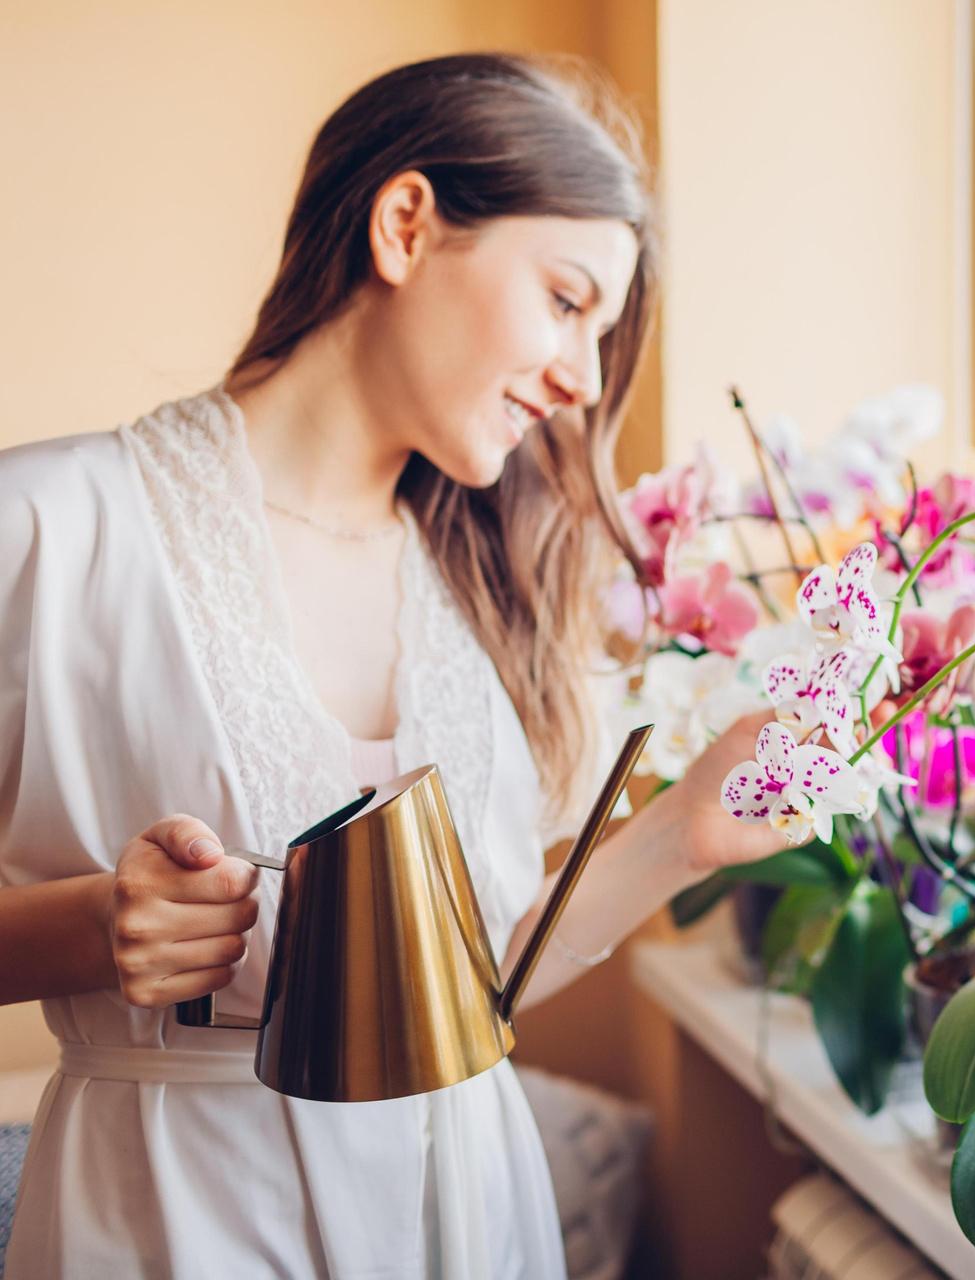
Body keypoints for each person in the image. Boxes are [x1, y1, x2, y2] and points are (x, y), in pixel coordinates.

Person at [0, 52, 788, 1279]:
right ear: (406, 223)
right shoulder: (47, 527)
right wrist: (90, 926)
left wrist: (687, 829)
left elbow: (476, 984)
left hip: (468, 1212)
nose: (585, 379)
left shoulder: (486, 585)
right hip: (172, 1216)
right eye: (568, 299)